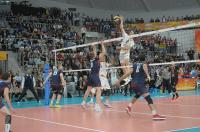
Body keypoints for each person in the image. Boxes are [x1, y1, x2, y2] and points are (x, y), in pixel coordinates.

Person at [115, 54, 166, 120]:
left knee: (138, 94)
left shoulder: (135, 65)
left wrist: (119, 80)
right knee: (149, 99)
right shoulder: (144, 64)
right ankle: (155, 115)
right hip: (140, 84)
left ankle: (129, 107)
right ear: (145, 59)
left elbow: (127, 74)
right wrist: (148, 76)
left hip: (133, 84)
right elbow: (145, 67)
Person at [81, 41, 104, 112]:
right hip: (95, 76)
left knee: (88, 89)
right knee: (99, 90)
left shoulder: (91, 59)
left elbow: (93, 51)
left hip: (91, 76)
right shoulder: (96, 59)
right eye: (94, 53)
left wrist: (93, 46)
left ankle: (83, 102)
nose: (95, 53)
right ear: (94, 55)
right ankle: (97, 106)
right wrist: (102, 44)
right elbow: (104, 52)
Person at [116, 16, 134, 86]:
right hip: (121, 53)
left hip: (126, 53)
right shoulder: (125, 35)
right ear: (130, 33)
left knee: (127, 64)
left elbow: (127, 48)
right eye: (131, 32)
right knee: (122, 65)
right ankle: (126, 77)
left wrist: (120, 47)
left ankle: (129, 77)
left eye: (133, 33)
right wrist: (122, 21)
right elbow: (121, 28)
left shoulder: (132, 42)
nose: (132, 33)